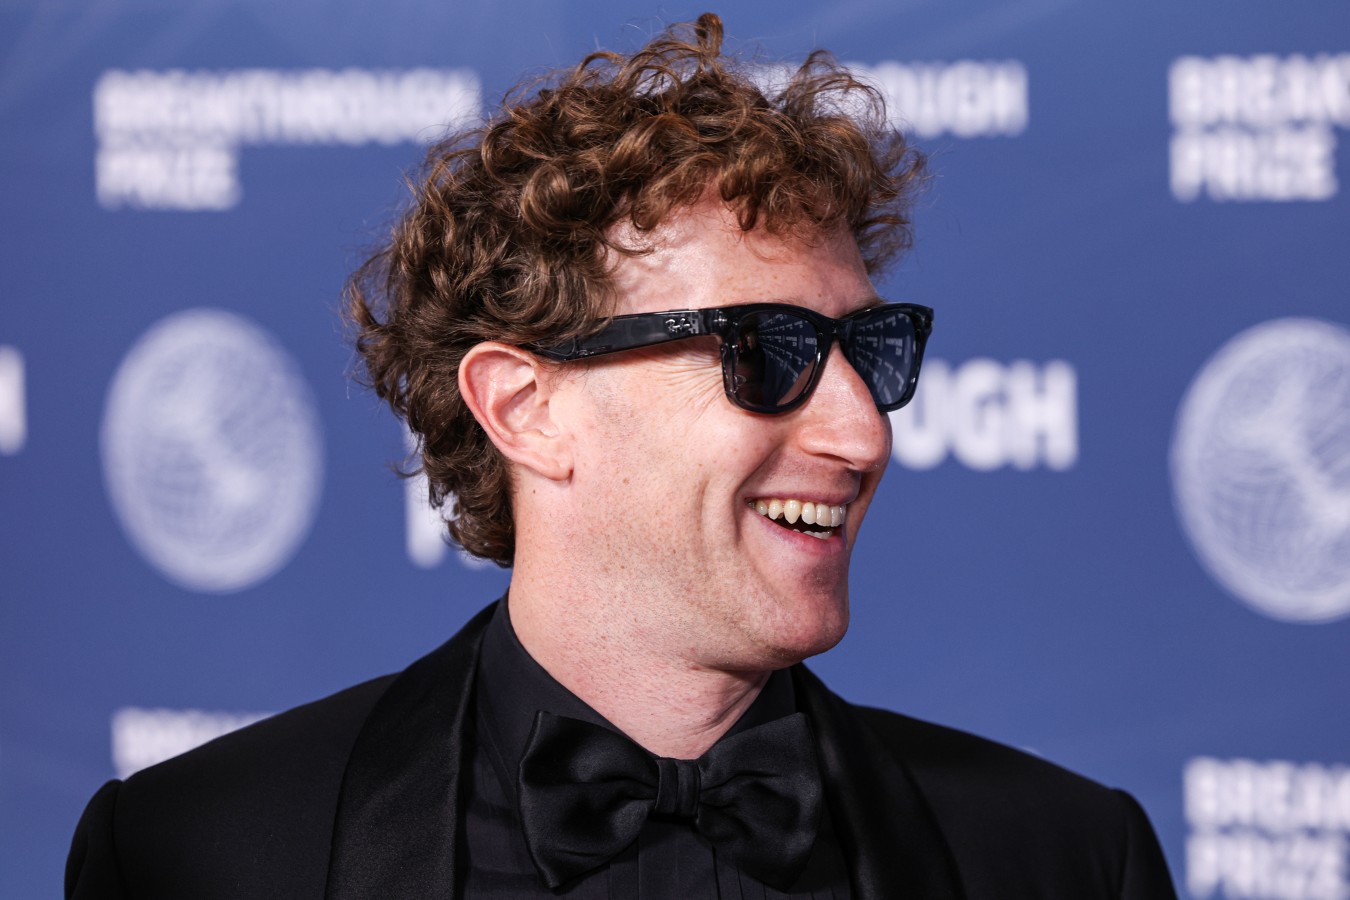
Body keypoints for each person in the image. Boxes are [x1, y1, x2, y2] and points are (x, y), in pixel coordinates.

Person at [66, 14, 1177, 899]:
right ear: (528, 408)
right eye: (767, 351)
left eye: (868, 352)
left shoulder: (1064, 859)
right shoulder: (198, 854)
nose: (863, 432)